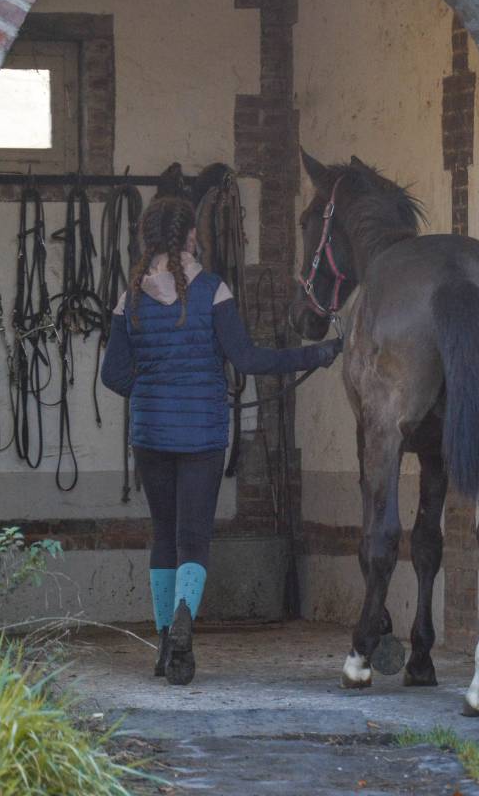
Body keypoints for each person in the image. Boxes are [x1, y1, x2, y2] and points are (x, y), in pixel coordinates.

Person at [101, 196, 341, 686]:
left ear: (149, 238)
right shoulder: (213, 290)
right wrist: (315, 355)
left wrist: (150, 390)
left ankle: (166, 639)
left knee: (163, 535)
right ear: (190, 236)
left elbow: (112, 374)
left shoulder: (130, 297)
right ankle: (187, 616)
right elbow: (248, 359)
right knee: (194, 536)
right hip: (203, 433)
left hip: (151, 432)